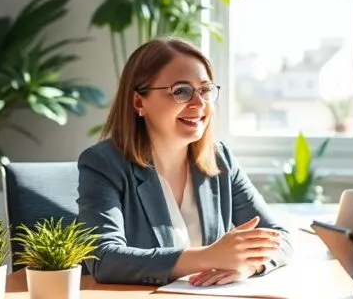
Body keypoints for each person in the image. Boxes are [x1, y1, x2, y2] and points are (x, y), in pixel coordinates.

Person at [77, 37, 292, 286]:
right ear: (139, 102)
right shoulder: (103, 164)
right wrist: (208, 257)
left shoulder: (220, 159)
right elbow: (104, 259)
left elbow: (280, 238)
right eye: (181, 91)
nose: (199, 104)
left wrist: (249, 265)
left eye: (205, 90)